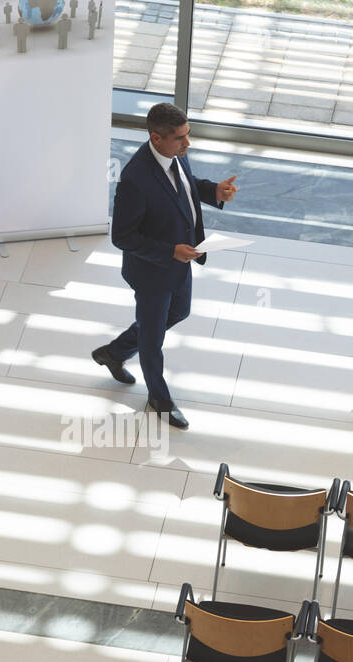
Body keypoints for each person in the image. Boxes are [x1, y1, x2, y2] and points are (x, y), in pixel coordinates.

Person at [93, 103, 239, 430]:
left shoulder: (176, 155)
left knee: (178, 313)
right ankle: (159, 400)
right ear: (156, 138)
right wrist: (169, 251)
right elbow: (123, 237)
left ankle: (114, 352)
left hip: (181, 258)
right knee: (152, 339)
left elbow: (185, 187)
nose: (188, 145)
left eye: (188, 136)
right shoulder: (135, 179)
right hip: (152, 269)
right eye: (181, 139)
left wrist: (213, 190)